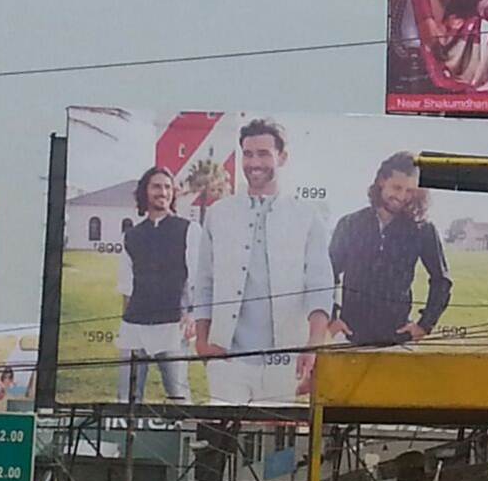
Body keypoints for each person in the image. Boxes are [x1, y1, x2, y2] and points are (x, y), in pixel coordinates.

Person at [194, 118, 331, 405]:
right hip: (226, 357)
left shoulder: (307, 216)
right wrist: (203, 343)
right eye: (248, 154)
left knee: (272, 444)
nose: (254, 162)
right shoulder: (219, 214)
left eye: (263, 153)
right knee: (221, 442)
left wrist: (313, 346)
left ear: (282, 157)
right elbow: (204, 282)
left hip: (283, 359)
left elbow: (320, 287)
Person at [328, 152, 452, 347]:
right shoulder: (349, 224)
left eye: (410, 190)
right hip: (349, 336)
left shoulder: (423, 229)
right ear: (381, 181)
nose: (402, 196)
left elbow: (441, 280)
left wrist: (425, 325)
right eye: (397, 187)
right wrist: (331, 317)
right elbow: (328, 274)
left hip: (398, 337)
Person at [116, 165, 200, 403]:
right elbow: (126, 286)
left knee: (179, 397)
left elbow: (198, 279)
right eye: (156, 186)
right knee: (127, 399)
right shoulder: (131, 235)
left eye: (167, 187)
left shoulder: (189, 230)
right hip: (134, 327)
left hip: (173, 327)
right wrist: (125, 323)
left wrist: (192, 314)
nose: (162, 192)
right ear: (145, 192)